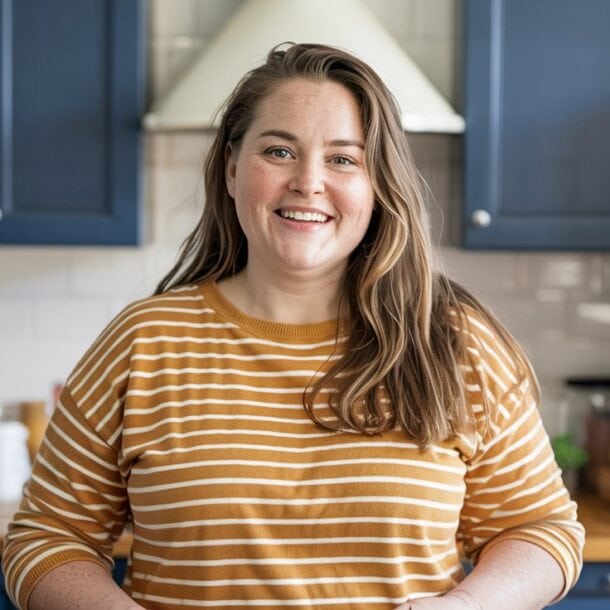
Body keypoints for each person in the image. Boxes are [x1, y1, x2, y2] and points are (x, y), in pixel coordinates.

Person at [3, 43, 583, 610]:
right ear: (232, 170)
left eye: (343, 158)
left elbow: (542, 528)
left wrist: (472, 604)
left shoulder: (454, 343)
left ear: (377, 186)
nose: (308, 181)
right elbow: (47, 538)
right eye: (279, 151)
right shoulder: (145, 341)